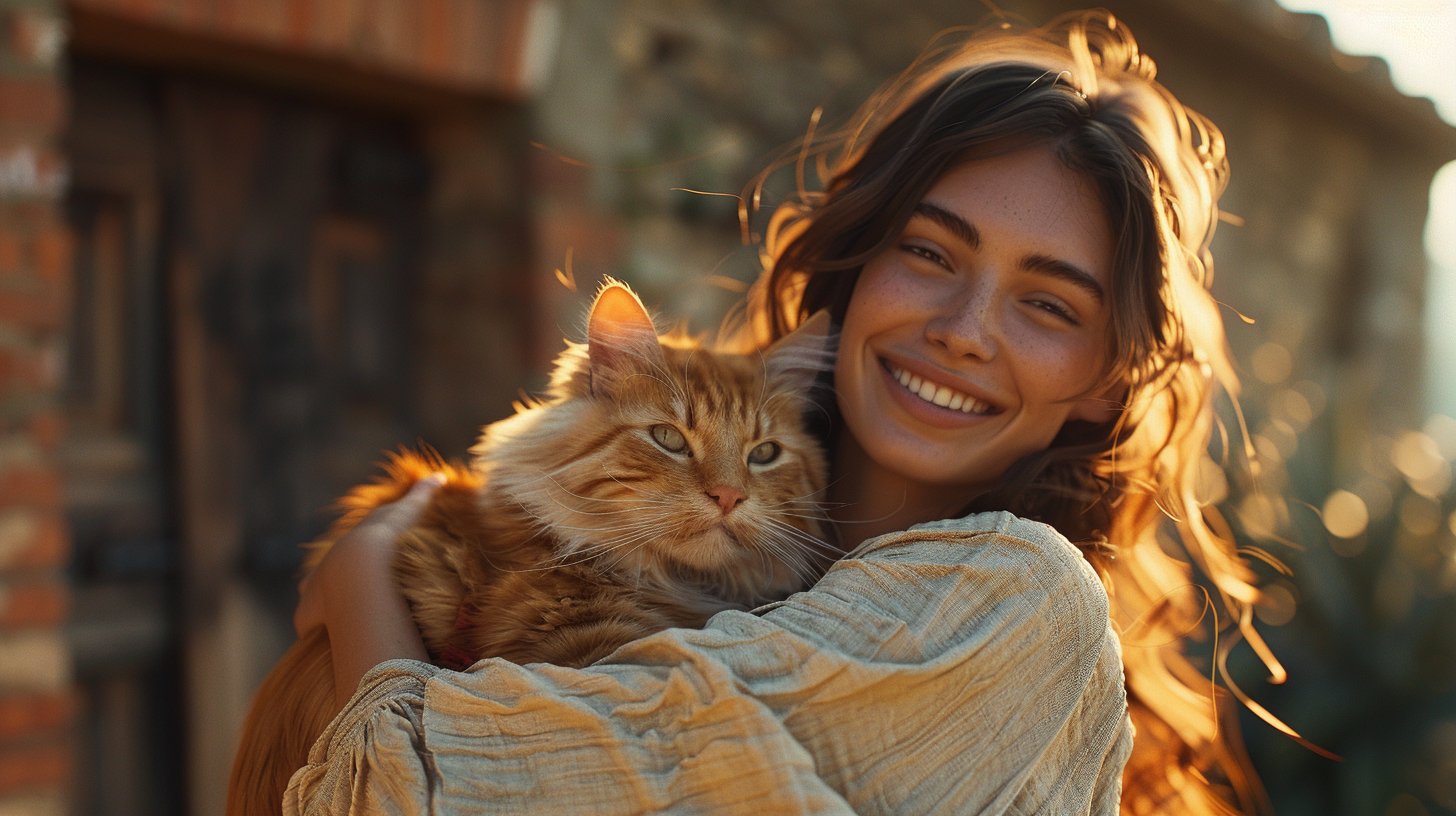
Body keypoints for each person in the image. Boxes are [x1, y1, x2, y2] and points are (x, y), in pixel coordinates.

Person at [286, 10, 1275, 815]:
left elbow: (447, 799)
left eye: (1047, 303)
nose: (964, 331)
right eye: (929, 252)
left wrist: (362, 576)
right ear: (858, 267)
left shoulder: (1015, 599)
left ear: (1105, 379)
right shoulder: (777, 592)